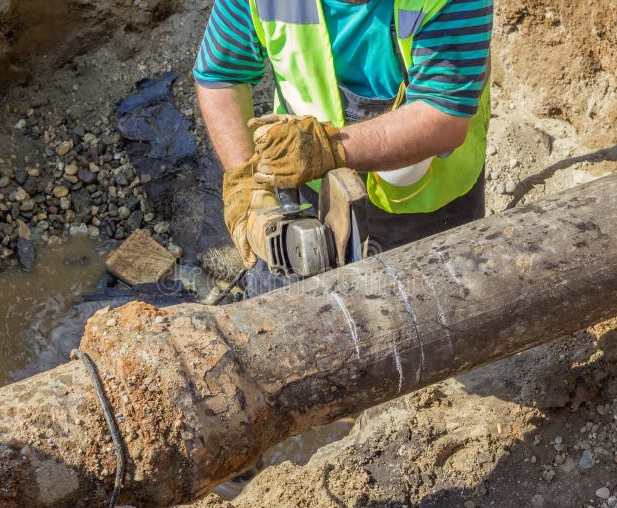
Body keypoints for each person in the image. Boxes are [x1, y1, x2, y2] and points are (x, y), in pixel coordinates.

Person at [194, 0, 493, 295]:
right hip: (303, 191)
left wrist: (328, 148)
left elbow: (442, 115)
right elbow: (223, 74)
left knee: (438, 313)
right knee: (285, 318)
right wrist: (246, 180)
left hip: (428, 204)